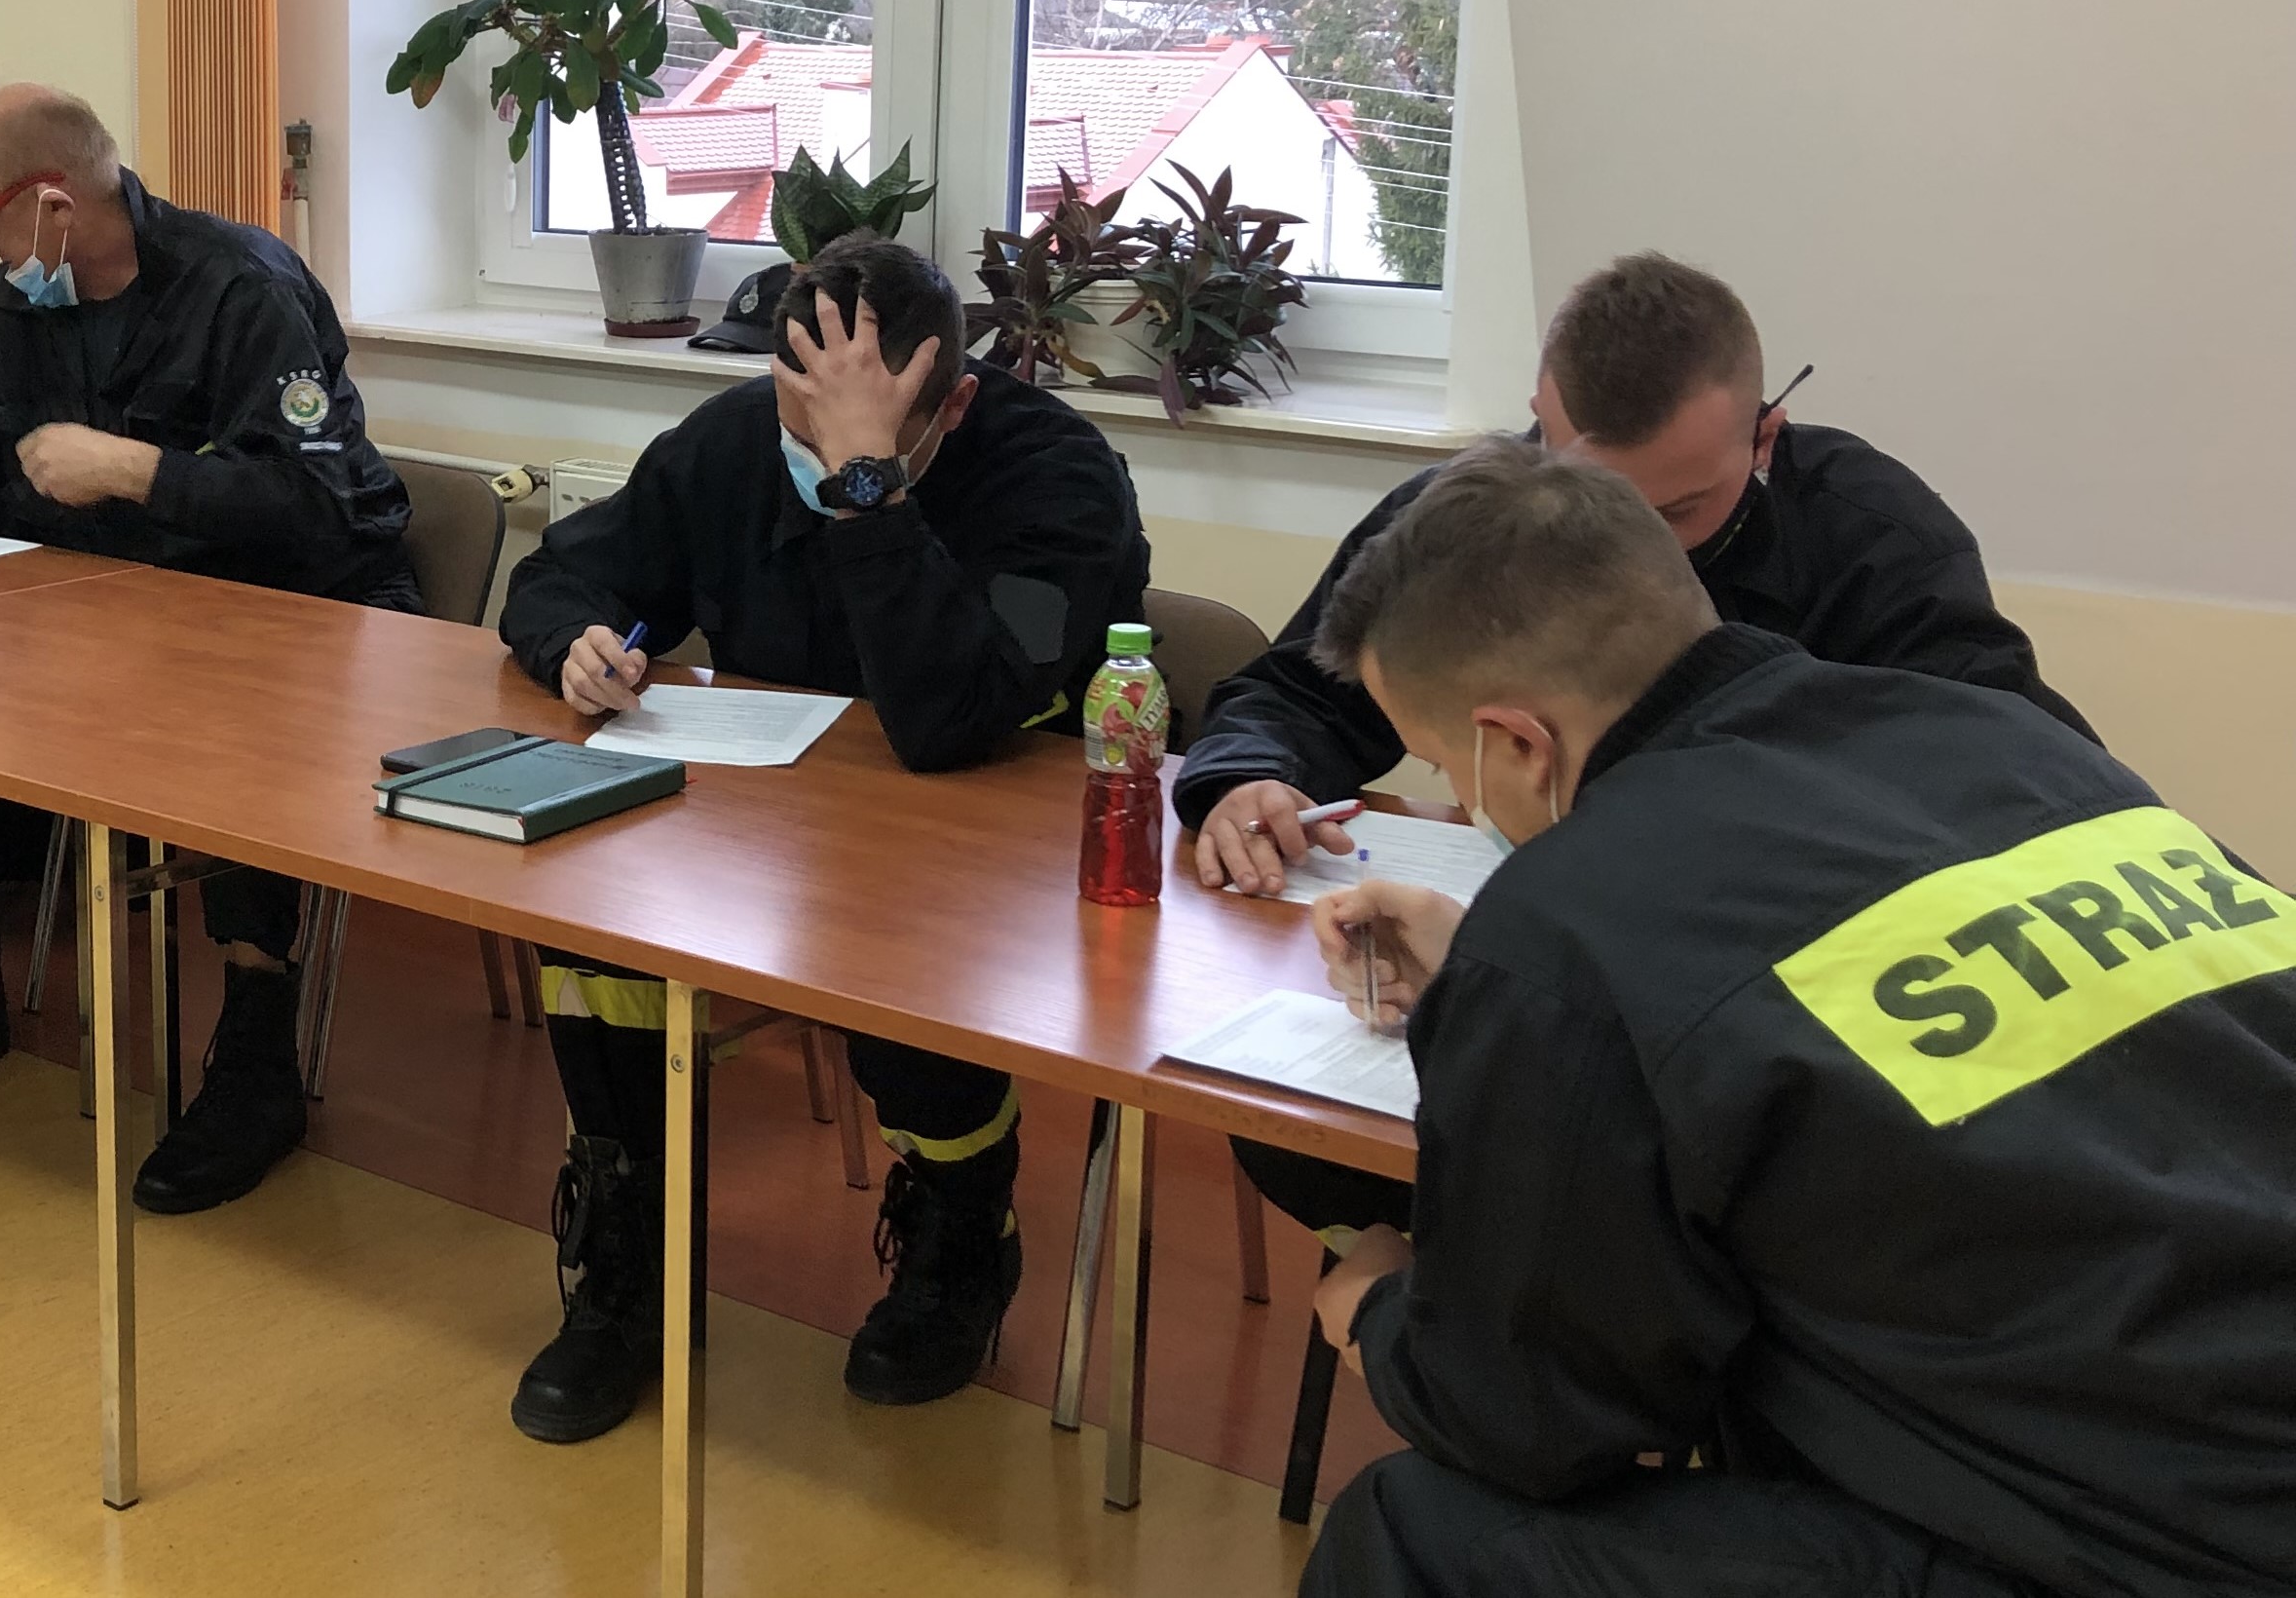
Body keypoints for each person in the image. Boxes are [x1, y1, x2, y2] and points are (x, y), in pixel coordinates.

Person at [1282, 439, 2293, 1598]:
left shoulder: (1570, 928)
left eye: (1447, 766)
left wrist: (1380, 1312)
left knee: (1417, 1531)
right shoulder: (2004, 740)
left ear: (1516, 740)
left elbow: (1533, 1421)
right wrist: (1507, 970)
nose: (1465, 801)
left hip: (2188, 1550)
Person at [1183, 252, 2093, 1244]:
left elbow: (2002, 779)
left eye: (1674, 514)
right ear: (1540, 415)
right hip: (1583, 979)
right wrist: (1247, 775)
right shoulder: (1478, 519)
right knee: (1314, 1146)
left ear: (1764, 438)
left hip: (1813, 1000)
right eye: (1580, 485)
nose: (1619, 544)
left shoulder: (1870, 538)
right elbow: (1300, 687)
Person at [489, 235, 1154, 1443]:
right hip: (775, 817)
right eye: (797, 420)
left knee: (900, 940)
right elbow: (559, 577)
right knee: (596, 911)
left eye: (850, 431)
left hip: (990, 844)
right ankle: (633, 1241)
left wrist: (867, 488)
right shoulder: (739, 438)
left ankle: (964, 1218)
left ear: (953, 403)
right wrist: (573, 643)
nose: (802, 454)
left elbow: (949, 718)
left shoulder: (1057, 480)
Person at [0, 82, 414, 1215]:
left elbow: (317, 506)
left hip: (286, 603)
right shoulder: (13, 305)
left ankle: (257, 1052)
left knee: (247, 726)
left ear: (51, 203)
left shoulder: (241, 289)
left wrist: (140, 471)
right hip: (101, 605)